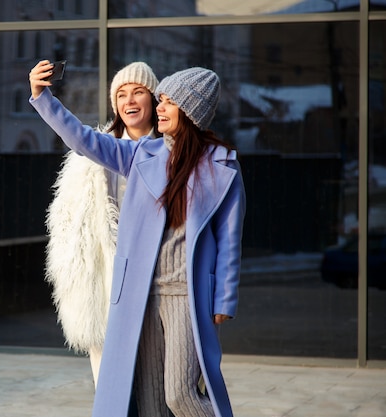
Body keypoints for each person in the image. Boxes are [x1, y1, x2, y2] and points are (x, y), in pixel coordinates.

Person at [29, 61, 246, 417]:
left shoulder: (221, 166)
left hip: (188, 295)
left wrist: (225, 297)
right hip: (139, 294)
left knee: (181, 394)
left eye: (167, 102)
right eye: (158, 100)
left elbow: (229, 238)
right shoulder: (141, 155)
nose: (158, 109)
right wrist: (43, 97)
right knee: (149, 402)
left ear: (189, 110)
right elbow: (83, 139)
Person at [44, 61, 159, 387]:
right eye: (122, 94)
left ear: (153, 98)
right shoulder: (97, 151)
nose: (130, 100)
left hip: (156, 278)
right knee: (110, 386)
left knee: (159, 384)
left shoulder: (170, 150)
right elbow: (70, 224)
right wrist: (42, 97)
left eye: (138, 92)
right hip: (106, 279)